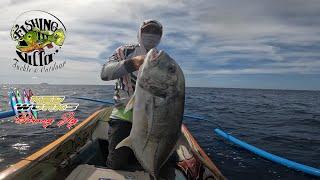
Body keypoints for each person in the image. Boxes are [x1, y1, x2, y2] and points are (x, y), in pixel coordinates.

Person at [100, 19, 163, 169]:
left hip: (151, 118)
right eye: (147, 30)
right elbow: (104, 73)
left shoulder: (161, 58)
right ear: (139, 33)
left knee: (155, 159)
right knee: (117, 162)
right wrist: (132, 63)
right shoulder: (125, 51)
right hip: (124, 114)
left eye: (156, 32)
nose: (151, 35)